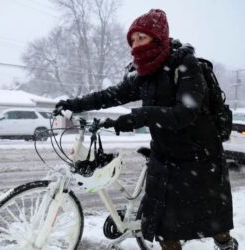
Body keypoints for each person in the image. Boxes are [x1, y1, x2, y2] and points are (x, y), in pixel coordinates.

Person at [54, 9, 238, 250]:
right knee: (164, 229)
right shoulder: (144, 71)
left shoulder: (184, 65)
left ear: (158, 37)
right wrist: (73, 104)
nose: (136, 44)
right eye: (133, 39)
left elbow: (186, 112)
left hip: (199, 157)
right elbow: (113, 95)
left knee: (214, 224)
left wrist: (139, 117)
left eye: (142, 37)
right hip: (164, 156)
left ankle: (225, 244)